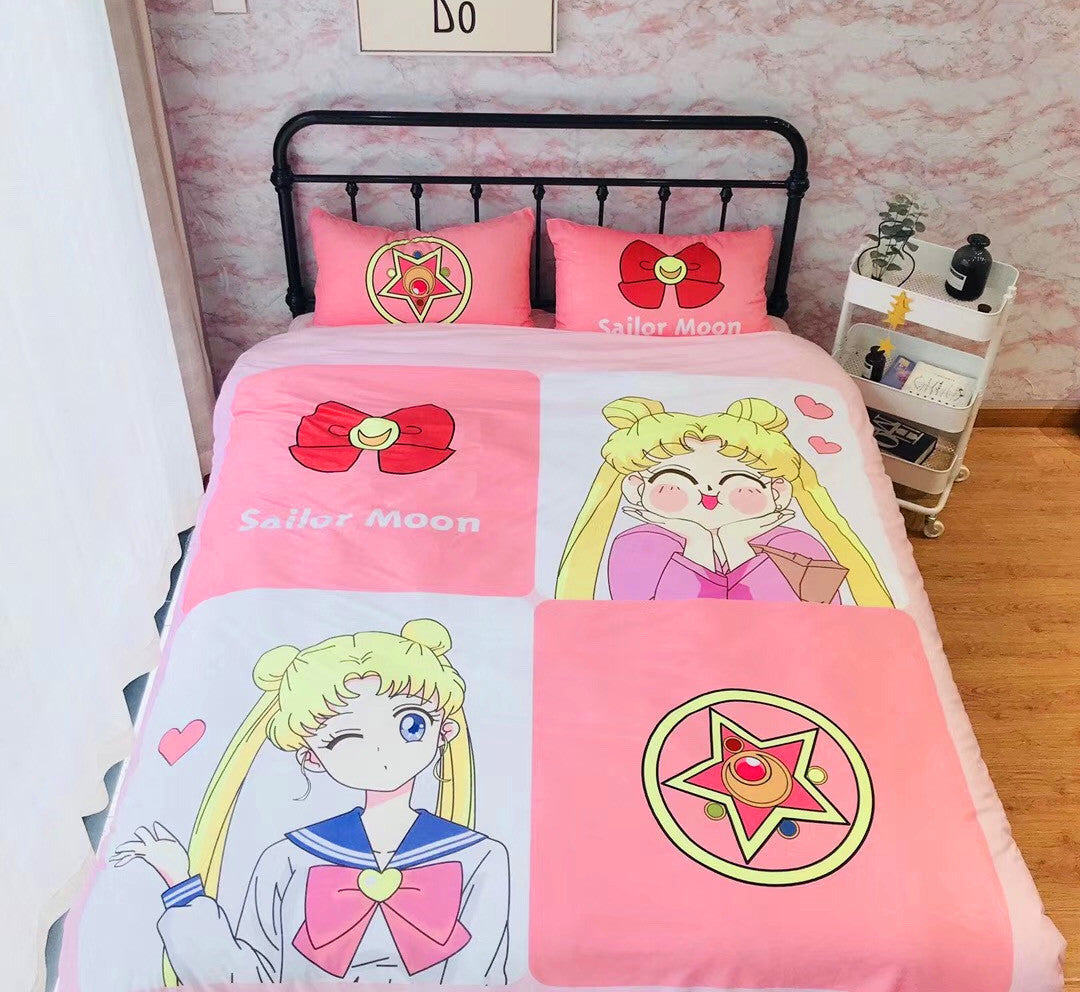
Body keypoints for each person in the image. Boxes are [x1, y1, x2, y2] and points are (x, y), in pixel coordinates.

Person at [112, 620, 509, 985]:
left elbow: (480, 976)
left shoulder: (480, 857)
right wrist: (181, 886)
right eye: (346, 738)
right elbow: (244, 979)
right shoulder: (288, 859)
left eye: (410, 724)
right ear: (312, 757)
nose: (380, 749)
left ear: (445, 731)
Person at [556, 396, 891, 606]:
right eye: (676, 484)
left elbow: (805, 625)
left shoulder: (797, 544)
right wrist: (698, 543)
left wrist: (737, 544)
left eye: (739, 486)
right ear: (635, 488)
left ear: (778, 492)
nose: (708, 497)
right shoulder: (637, 544)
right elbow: (657, 624)